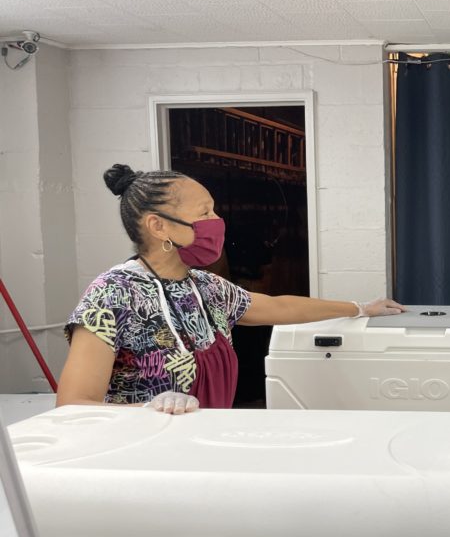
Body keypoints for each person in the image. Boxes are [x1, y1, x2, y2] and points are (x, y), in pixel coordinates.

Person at [57, 165, 405, 414]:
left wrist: (358, 308)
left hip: (204, 450)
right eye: (204, 211)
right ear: (159, 225)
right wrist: (148, 410)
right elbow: (72, 405)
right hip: (143, 463)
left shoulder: (205, 287)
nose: (216, 220)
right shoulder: (112, 294)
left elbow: (280, 308)